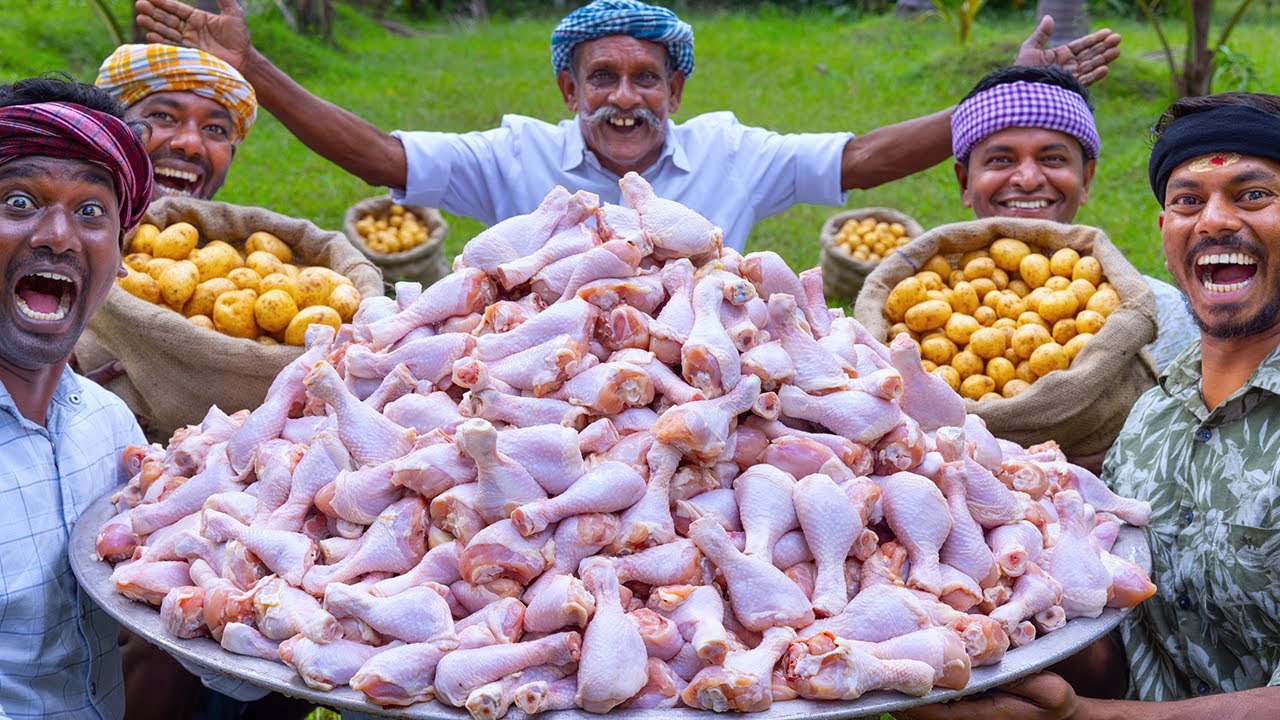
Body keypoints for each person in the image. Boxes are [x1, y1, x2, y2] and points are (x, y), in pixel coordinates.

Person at [134, 0, 1120, 252]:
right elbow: (380, 155)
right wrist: (253, 65)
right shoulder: (513, 153)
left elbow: (860, 159)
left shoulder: (732, 152)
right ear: (567, 90)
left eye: (645, 78)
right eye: (601, 76)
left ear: (674, 91)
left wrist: (999, 101)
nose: (624, 95)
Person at [898, 91, 1280, 719]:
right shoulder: (1151, 419)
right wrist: (1001, 612)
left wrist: (1080, 718)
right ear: (1165, 234)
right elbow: (1134, 646)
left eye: (1252, 195)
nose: (1212, 221)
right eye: (1187, 200)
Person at [0, 75, 153, 720]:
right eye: (18, 202)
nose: (58, 236)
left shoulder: (110, 423)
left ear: (120, 256)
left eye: (91, 212)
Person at [949, 64, 1198, 372]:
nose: (1028, 180)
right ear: (964, 183)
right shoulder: (917, 300)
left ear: (1086, 179)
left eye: (1052, 158)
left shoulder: (1159, 314)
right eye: (1001, 159)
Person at [94, 42, 257, 201]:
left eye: (214, 128)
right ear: (110, 132)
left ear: (231, 156)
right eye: (163, 116)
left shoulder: (250, 228)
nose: (190, 144)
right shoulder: (70, 225)